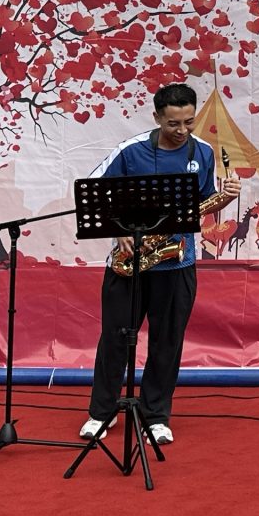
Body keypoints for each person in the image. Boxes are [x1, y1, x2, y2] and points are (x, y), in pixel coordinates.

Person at [80, 83, 240, 444]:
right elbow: (93, 192)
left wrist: (225, 198)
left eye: (188, 122)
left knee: (167, 342)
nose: (182, 130)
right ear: (156, 118)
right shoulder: (130, 150)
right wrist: (117, 227)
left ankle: (156, 415)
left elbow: (204, 203)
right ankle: (101, 413)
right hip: (129, 263)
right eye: (173, 124)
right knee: (115, 341)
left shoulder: (203, 152)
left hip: (177, 263)